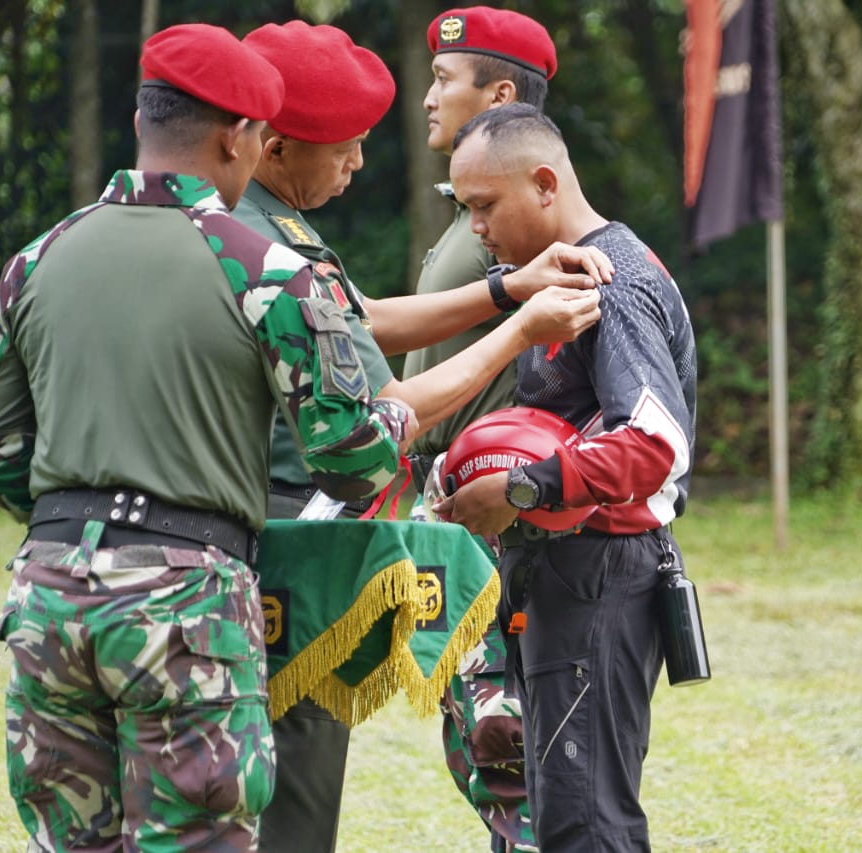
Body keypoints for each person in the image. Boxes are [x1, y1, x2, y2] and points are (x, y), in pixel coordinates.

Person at [0, 23, 413, 852]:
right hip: (186, 605)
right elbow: (349, 456)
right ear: (239, 138)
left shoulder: (39, 257)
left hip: (50, 598)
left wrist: (65, 511)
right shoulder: (267, 270)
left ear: (140, 123)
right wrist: (396, 418)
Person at [228, 21, 606, 853]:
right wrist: (516, 320)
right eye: (348, 145)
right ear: (278, 145)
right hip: (295, 532)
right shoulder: (265, 241)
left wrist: (505, 292)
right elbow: (377, 415)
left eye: (445, 76)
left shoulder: (257, 228)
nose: (361, 163)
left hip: (274, 527)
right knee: (293, 780)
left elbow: (361, 317)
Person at [434, 103, 698, 853]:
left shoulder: (608, 281)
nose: (475, 226)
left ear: (545, 183)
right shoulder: (555, 280)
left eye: (485, 205)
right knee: (551, 810)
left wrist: (520, 490)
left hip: (602, 576)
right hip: (560, 573)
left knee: (586, 822)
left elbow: (656, 444)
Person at [401, 7, 562, 851]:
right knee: (491, 742)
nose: (429, 97)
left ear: (499, 94)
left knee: (503, 741)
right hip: (455, 499)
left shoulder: (517, 224)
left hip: (494, 505)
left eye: (444, 79)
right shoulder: (476, 219)